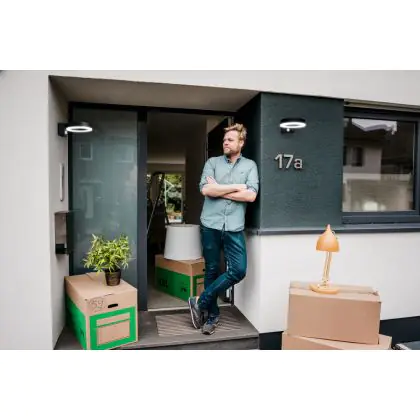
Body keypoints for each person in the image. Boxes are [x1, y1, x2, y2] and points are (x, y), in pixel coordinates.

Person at [188, 123, 259, 335]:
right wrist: (237, 187)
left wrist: (219, 189)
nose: (225, 142)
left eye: (230, 140)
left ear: (241, 142)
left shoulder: (250, 166)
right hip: (210, 225)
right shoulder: (212, 163)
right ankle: (212, 316)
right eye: (224, 140)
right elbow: (206, 189)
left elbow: (251, 195)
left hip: (234, 227)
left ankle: (200, 301)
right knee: (211, 269)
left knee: (238, 270)